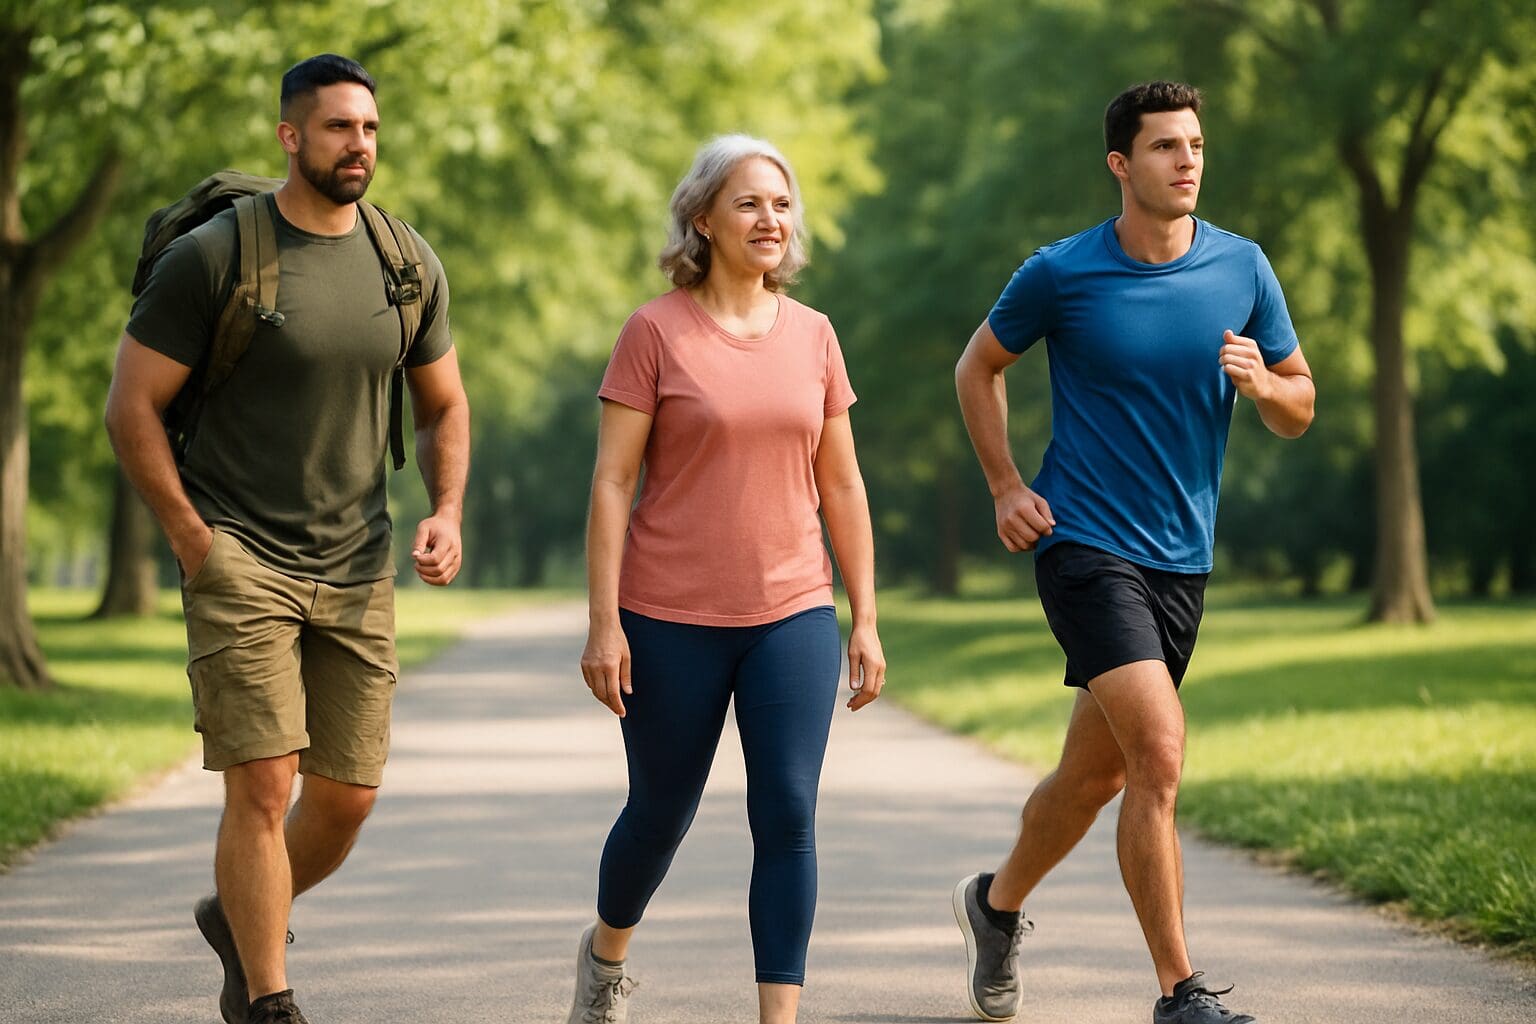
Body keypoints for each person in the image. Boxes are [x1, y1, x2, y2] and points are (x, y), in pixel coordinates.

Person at [104, 54, 469, 1024]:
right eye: (339, 127)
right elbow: (131, 407)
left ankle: (239, 913)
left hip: (358, 562)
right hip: (240, 555)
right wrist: (191, 537)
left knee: (346, 795)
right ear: (290, 137)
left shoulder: (404, 261)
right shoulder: (216, 258)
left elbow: (443, 405)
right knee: (263, 783)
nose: (360, 145)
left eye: (371, 128)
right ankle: (269, 999)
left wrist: (446, 509)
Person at [951, 81, 1314, 1024]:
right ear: (1121, 164)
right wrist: (1005, 485)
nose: (1187, 160)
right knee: (1157, 753)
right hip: (1083, 542)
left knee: (1095, 779)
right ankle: (1179, 994)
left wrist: (1263, 388)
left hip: (1181, 560)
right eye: (1164, 147)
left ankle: (994, 907)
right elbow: (979, 366)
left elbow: (1301, 403)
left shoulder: (1243, 267)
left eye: (1194, 144)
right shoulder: (1062, 273)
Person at [570, 134, 886, 1024]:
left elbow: (842, 483)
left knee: (787, 813)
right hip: (668, 615)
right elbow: (611, 481)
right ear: (702, 219)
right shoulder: (654, 331)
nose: (770, 219)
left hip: (790, 611)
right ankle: (606, 955)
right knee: (660, 810)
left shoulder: (816, 336)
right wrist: (605, 624)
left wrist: (863, 617)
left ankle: (778, 1018)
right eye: (749, 203)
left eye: (782, 204)